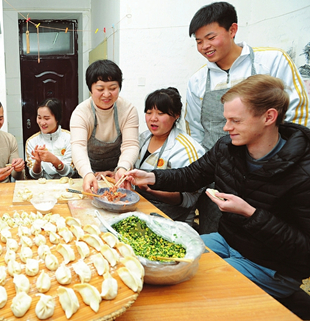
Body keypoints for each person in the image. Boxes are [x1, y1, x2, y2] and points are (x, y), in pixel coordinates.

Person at [126, 75, 310, 315]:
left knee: (185, 288)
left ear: (269, 117)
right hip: (227, 242)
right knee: (161, 261)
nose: (226, 127)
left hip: (271, 266)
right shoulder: (227, 147)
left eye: (235, 120)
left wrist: (250, 213)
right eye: (226, 119)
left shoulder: (302, 171)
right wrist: (151, 177)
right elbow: (192, 175)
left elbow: (304, 252)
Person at [184, 1, 310, 234]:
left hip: (272, 178)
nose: (204, 47)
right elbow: (195, 131)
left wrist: (279, 168)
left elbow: (298, 117)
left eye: (210, 37)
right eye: (198, 41)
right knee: (215, 243)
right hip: (220, 178)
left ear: (232, 30)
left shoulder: (272, 61)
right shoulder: (197, 81)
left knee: (268, 243)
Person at [135, 88, 205, 225]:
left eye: (160, 113)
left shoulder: (188, 149)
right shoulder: (143, 138)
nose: (153, 118)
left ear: (177, 115)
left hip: (173, 221)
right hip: (141, 210)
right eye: (149, 112)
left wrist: (150, 189)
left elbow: (189, 199)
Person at [70, 59, 139, 192]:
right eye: (100, 89)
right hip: (88, 171)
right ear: (90, 89)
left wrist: (122, 168)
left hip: (118, 174)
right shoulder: (81, 113)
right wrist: (87, 173)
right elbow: (78, 146)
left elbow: (131, 144)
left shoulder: (128, 110)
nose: (107, 94)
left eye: (113, 88)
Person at [25, 98, 75, 179]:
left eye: (46, 118)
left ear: (57, 119)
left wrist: (54, 160)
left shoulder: (70, 138)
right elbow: (35, 176)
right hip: (42, 187)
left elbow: (69, 173)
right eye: (39, 117)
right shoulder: (32, 141)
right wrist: (37, 162)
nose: (42, 122)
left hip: (66, 186)